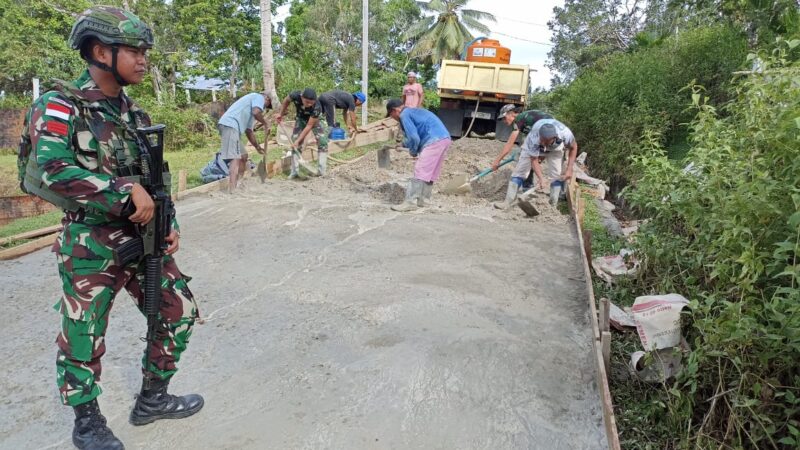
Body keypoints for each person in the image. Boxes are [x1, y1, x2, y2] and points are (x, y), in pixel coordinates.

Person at [20, 7, 202, 449]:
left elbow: (155, 177)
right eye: (135, 51)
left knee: (178, 312)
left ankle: (152, 399)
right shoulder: (61, 103)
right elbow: (52, 167)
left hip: (144, 238)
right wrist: (122, 191)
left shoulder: (134, 114)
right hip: (91, 242)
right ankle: (87, 422)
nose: (143, 60)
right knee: (84, 332)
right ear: (101, 52)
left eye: (145, 52)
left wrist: (168, 221)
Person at [494, 119, 578, 209]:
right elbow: (534, 160)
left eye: (546, 142)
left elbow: (574, 147)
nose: (543, 144)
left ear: (554, 137)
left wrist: (569, 169)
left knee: (556, 175)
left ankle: (552, 207)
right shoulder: (534, 137)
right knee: (520, 171)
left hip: (555, 150)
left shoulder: (566, 134)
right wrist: (541, 178)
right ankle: (508, 202)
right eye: (542, 140)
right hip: (532, 145)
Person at [385, 99, 452, 212]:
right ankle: (424, 201)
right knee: (429, 172)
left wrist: (413, 150)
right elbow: (416, 134)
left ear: (395, 110)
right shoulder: (413, 112)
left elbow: (415, 138)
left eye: (391, 115)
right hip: (444, 138)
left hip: (433, 139)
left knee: (420, 169)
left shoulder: (404, 115)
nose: (393, 118)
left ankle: (410, 202)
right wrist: (403, 144)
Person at [217, 92, 271, 192]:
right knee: (235, 158)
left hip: (233, 129)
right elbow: (256, 112)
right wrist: (265, 122)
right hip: (230, 125)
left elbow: (249, 131)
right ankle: (233, 189)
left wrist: (257, 147)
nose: (263, 108)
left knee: (243, 156)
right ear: (266, 99)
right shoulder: (258, 97)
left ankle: (239, 184)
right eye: (266, 105)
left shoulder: (251, 112)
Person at [276, 88, 329, 176]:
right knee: (295, 140)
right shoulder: (295, 95)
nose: (309, 104)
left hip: (316, 120)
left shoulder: (317, 107)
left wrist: (298, 141)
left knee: (322, 141)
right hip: (301, 118)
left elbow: (309, 126)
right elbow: (286, 101)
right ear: (301, 97)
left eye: (311, 103)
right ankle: (294, 171)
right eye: (307, 102)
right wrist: (280, 114)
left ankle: (321, 171)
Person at [491, 104, 553, 171]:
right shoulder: (525, 119)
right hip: (554, 138)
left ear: (511, 113)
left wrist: (497, 161)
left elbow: (509, 145)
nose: (504, 121)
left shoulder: (519, 119)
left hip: (550, 136)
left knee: (524, 162)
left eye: (504, 118)